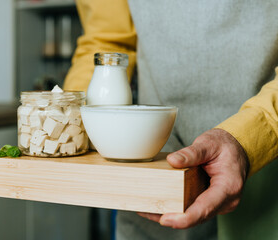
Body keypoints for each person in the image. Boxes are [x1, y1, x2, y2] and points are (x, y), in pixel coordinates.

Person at [63, 0, 278, 239]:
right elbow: (108, 41)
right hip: (152, 169)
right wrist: (70, 120)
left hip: (266, 166)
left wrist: (255, 134)